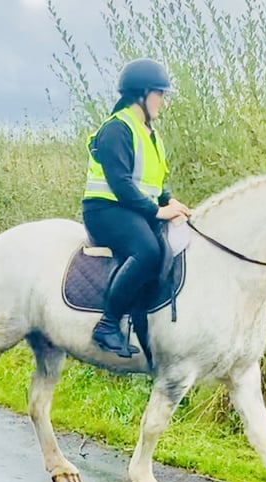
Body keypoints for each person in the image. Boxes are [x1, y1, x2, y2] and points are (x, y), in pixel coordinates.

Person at [83, 58, 191, 358]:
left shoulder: (148, 132)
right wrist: (158, 212)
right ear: (142, 94)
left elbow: (151, 182)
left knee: (167, 245)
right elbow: (121, 184)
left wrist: (168, 200)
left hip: (131, 208)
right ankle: (107, 324)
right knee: (148, 250)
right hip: (105, 211)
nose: (163, 102)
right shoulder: (116, 129)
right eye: (160, 94)